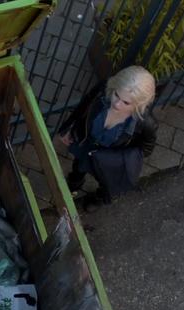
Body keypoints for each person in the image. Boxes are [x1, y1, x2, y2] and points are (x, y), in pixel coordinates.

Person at [56, 65, 158, 205]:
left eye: (126, 102)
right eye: (117, 94)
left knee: (105, 181)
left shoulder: (146, 124)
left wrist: (118, 159)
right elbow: (83, 106)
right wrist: (67, 127)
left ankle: (98, 199)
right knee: (78, 166)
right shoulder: (103, 91)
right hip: (87, 144)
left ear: (139, 104)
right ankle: (73, 187)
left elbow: (146, 149)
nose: (116, 104)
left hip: (108, 159)